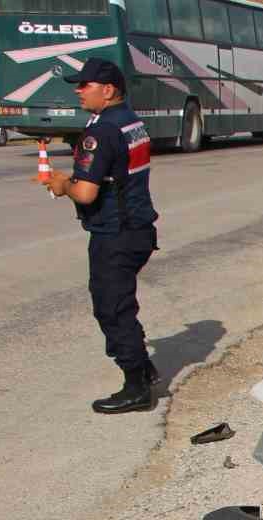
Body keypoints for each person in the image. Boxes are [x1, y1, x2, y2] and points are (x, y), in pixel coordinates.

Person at [39, 57, 160, 414]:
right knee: (120, 302)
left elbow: (87, 193)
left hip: (116, 233)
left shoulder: (101, 131)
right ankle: (144, 369)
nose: (78, 90)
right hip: (137, 228)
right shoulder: (130, 122)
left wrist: (62, 185)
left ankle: (136, 387)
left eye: (85, 85)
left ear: (107, 91)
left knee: (112, 308)